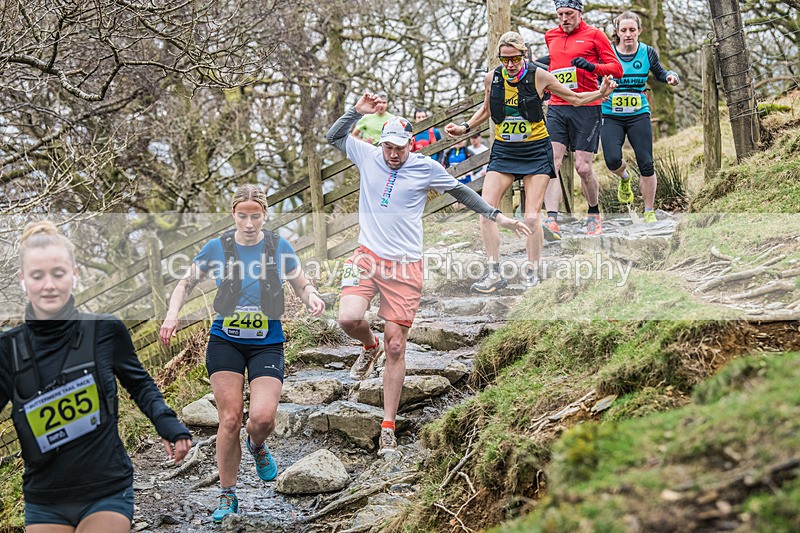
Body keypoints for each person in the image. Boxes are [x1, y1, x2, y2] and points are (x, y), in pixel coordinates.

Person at [326, 95, 531, 455]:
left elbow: (463, 193)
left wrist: (498, 216)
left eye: (400, 148)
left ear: (411, 145)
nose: (393, 154)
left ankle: (387, 424)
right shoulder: (368, 155)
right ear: (381, 144)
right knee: (348, 317)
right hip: (367, 255)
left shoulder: (424, 167)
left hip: (406, 266)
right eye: (388, 146)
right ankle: (367, 346)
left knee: (396, 345)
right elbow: (333, 137)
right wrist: (355, 112)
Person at [0, 221, 192, 532]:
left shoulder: (104, 330)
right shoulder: (7, 349)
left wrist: (167, 422)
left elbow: (140, 384)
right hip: (45, 497)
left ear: (74, 273)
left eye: (58, 273)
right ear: (23, 279)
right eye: (37, 276)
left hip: (107, 488)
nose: (49, 285)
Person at [159, 184, 325, 523]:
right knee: (230, 419)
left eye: (255, 216)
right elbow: (184, 284)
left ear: (264, 214)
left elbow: (301, 282)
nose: (249, 223)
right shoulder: (217, 247)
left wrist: (312, 297)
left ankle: (258, 446)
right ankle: (227, 495)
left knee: (261, 419)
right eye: (242, 216)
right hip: (225, 340)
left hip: (267, 340)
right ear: (233, 214)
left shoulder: (279, 246)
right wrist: (172, 314)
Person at [445, 31, 616, 292]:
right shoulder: (492, 78)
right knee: (486, 211)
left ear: (523, 55)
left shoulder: (540, 76)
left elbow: (575, 98)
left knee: (532, 217)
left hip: (535, 151)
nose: (510, 65)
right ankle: (493, 272)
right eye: (505, 60)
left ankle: (533, 270)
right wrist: (465, 127)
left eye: (514, 59)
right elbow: (488, 109)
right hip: (504, 151)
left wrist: (600, 93)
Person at [541, 0, 623, 238]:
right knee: (551, 164)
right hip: (558, 106)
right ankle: (552, 220)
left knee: (583, 167)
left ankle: (593, 214)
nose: (564, 18)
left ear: (579, 13)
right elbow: (555, 65)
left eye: (568, 13)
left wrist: (591, 67)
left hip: (587, 105)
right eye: (560, 14)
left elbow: (616, 69)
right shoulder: (550, 35)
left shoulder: (595, 35)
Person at [601, 11, 680, 223]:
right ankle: (624, 178)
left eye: (632, 30)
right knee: (611, 160)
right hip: (611, 114)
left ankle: (648, 211)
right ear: (617, 32)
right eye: (624, 30)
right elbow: (594, 76)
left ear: (639, 31)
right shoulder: (608, 52)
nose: (628, 34)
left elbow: (661, 72)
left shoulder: (648, 52)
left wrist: (672, 76)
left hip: (638, 113)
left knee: (646, 162)